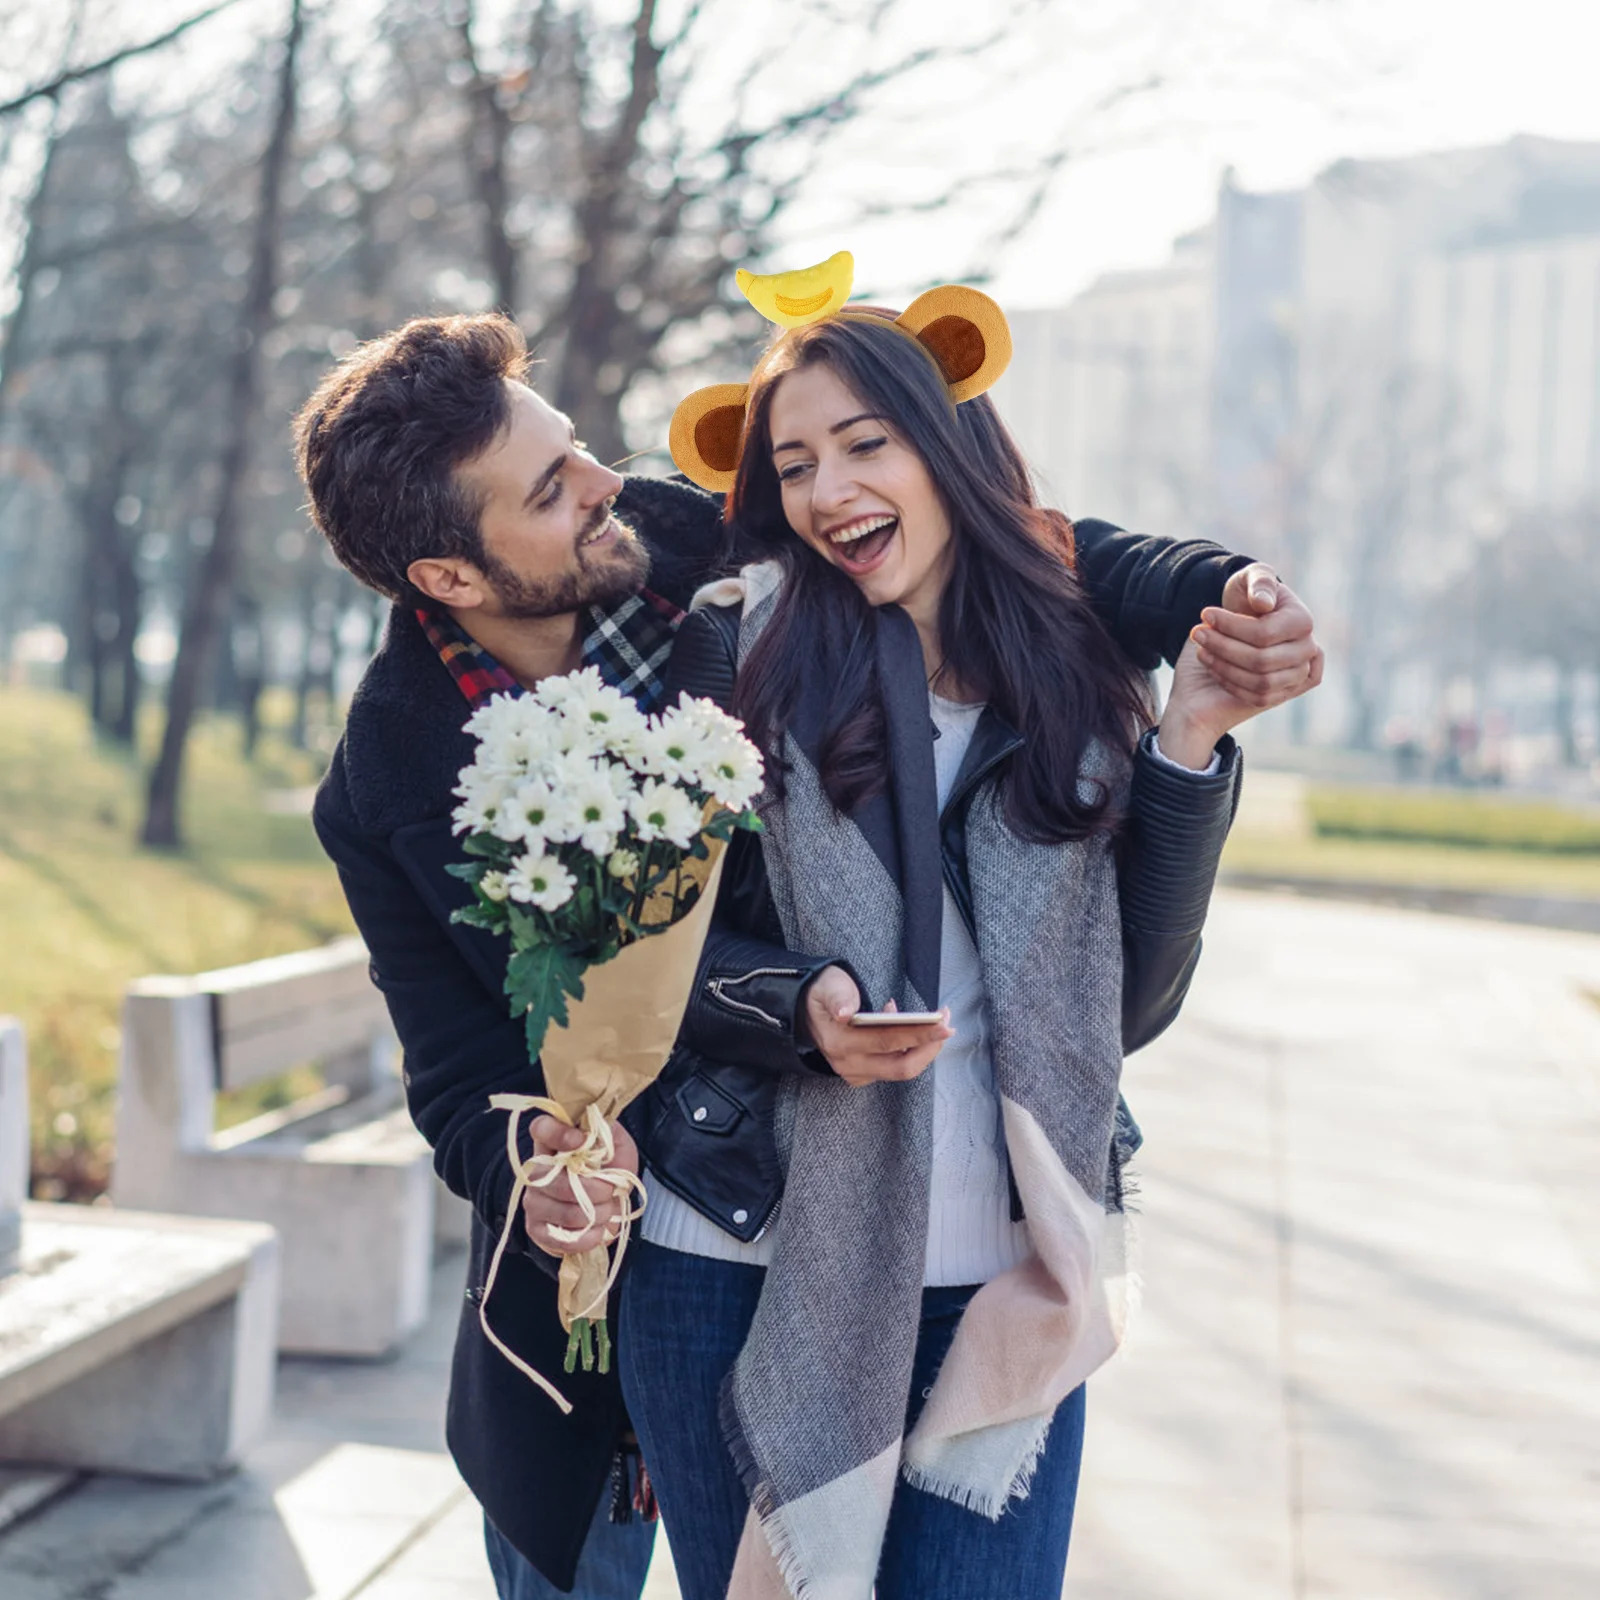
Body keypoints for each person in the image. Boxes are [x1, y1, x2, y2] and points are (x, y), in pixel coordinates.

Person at [294, 310, 1320, 1600]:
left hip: (913, 1205)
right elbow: (460, 1074)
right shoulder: (395, 780)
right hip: (671, 1235)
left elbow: (1013, 543)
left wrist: (1214, 593)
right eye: (552, 488)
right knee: (574, 1569)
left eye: (580, 448)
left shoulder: (690, 549)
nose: (606, 483)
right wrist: (535, 1163)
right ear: (452, 575)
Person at [612, 293, 1324, 1600]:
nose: (831, 489)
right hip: (738, 1254)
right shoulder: (734, 644)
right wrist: (796, 1009)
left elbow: (1128, 1006)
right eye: (795, 464)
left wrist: (1190, 738)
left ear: (947, 446)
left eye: (867, 443)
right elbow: (638, 949)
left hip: (1003, 1272)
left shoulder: (1069, 662)